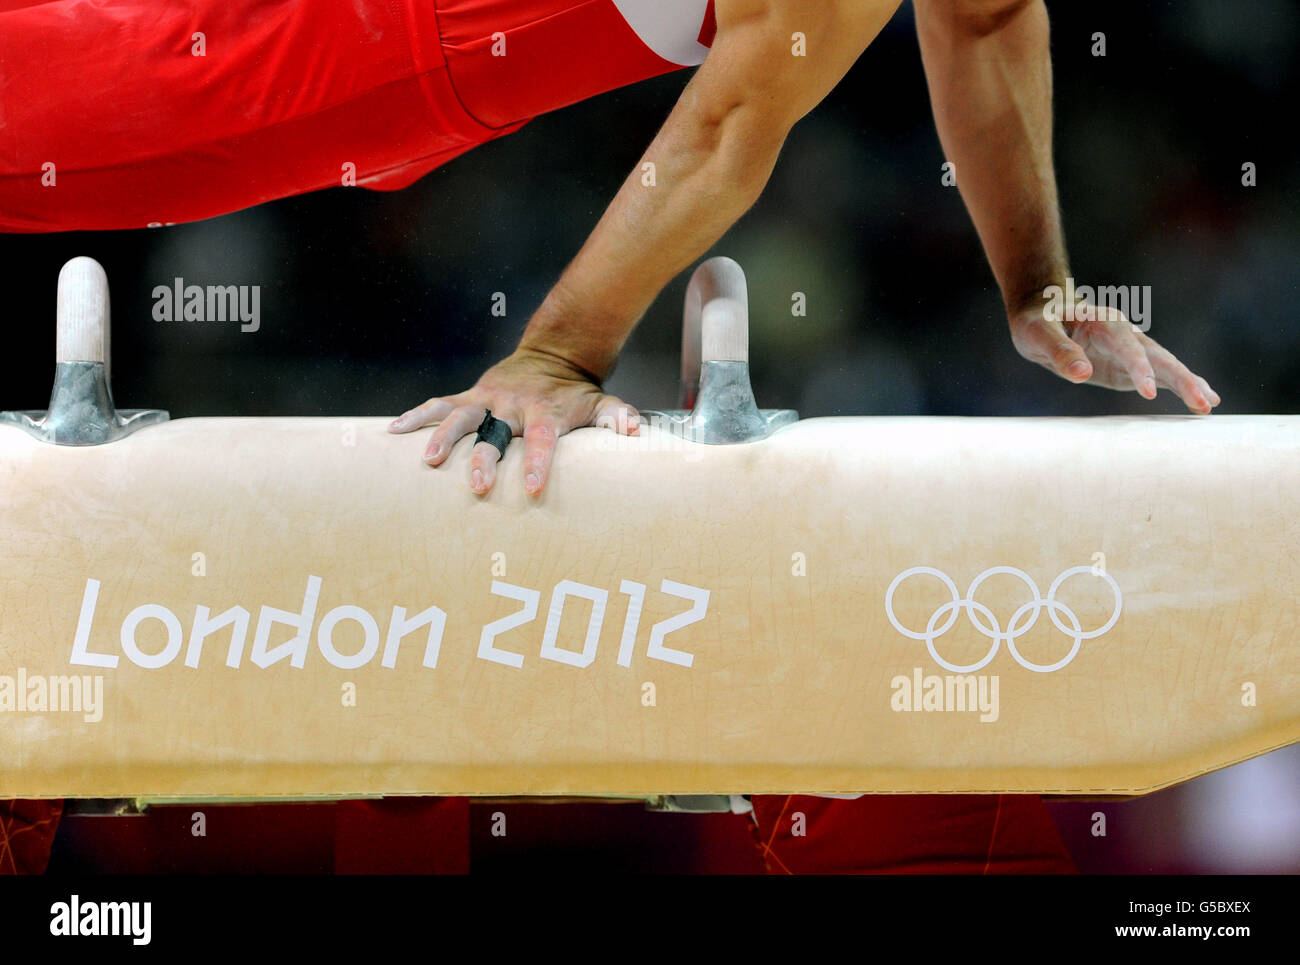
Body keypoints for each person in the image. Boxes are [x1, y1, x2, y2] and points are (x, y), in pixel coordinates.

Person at [0, 0, 1215, 875]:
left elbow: (990, 20)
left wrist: (1036, 281)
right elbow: (734, 121)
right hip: (357, 40)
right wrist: (559, 352)